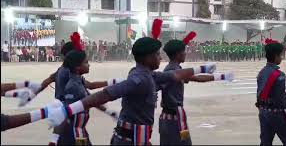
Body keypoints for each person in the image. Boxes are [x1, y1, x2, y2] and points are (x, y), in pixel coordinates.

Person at [45, 19, 216, 145]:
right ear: (148, 58)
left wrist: (202, 69)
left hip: (137, 138)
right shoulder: (139, 79)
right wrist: (69, 109)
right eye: (157, 54)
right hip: (130, 140)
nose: (160, 57)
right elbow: (106, 94)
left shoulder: (149, 75)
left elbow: (177, 75)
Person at [160, 32, 234, 145]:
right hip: (175, 119)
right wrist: (219, 75)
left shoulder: (175, 68)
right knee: (183, 142)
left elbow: (197, 78)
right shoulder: (173, 71)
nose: (186, 53)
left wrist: (222, 76)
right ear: (177, 54)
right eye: (184, 51)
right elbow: (197, 78)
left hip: (173, 117)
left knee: (177, 141)